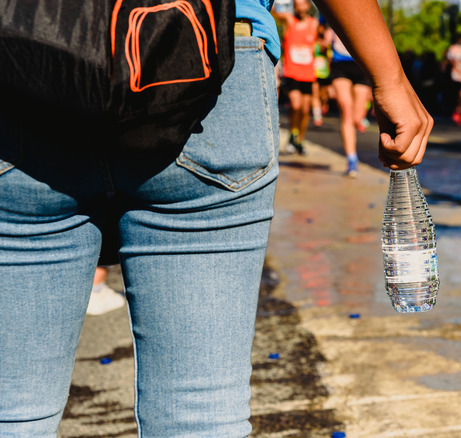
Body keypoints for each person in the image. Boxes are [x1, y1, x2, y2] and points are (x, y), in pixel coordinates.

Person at [0, 1, 433, 436]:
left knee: (11, 410)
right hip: (205, 59)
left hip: (27, 58)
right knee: (200, 415)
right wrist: (388, 77)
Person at [323, 25, 374, 177]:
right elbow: (323, 36)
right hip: (340, 66)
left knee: (357, 118)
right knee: (346, 109)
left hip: (361, 64)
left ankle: (358, 121)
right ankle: (352, 159)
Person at [275, 0, 319, 155]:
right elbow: (274, 11)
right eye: (297, 4)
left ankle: (300, 139)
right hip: (292, 72)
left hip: (308, 73)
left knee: (306, 109)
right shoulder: (289, 20)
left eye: (303, 4)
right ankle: (293, 133)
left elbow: (318, 43)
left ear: (308, 5)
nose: (300, 7)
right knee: (295, 105)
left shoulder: (314, 24)